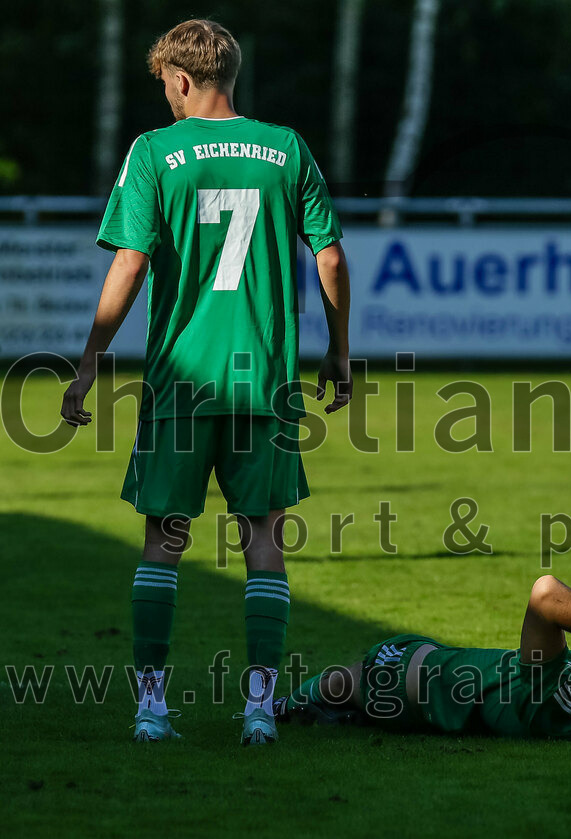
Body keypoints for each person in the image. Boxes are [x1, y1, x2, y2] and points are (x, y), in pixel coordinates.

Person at [59, 19, 352, 745]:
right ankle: (258, 706)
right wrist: (339, 352)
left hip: (181, 380)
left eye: (165, 85)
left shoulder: (155, 152)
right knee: (264, 541)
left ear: (183, 80)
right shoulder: (285, 148)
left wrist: (90, 358)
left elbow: (128, 266)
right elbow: (333, 260)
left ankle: (152, 707)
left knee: (164, 539)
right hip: (263, 381)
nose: (165, 98)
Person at [275, 576, 571, 743]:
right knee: (350, 689)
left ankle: (283, 706)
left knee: (357, 677)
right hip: (440, 663)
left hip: (414, 681)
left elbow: (546, 594)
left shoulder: (561, 702)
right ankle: (323, 713)